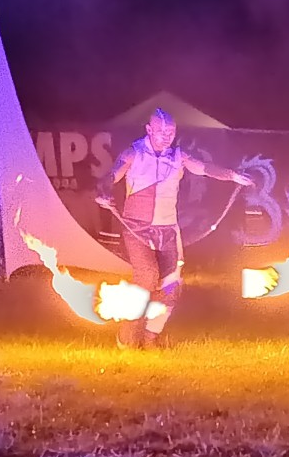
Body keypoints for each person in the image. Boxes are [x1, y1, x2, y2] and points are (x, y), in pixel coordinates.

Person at [97, 108, 253, 349]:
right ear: (149, 130)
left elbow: (203, 167)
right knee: (147, 277)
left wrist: (232, 175)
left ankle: (151, 338)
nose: (166, 136)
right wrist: (104, 193)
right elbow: (111, 176)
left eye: (170, 132)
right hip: (137, 229)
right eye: (161, 131)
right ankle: (127, 335)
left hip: (168, 231)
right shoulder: (134, 153)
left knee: (171, 286)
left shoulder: (178, 156)